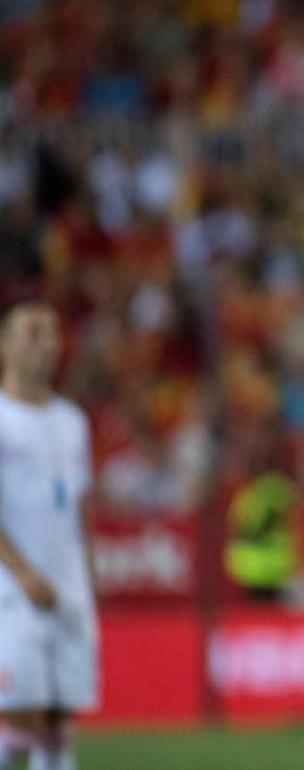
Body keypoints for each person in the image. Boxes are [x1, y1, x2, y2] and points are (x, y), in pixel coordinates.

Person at [0, 299, 97, 770]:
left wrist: (87, 582)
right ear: (5, 345)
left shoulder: (72, 422)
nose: (44, 344)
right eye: (31, 333)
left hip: (67, 587)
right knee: (22, 719)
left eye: (51, 333)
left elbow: (79, 507)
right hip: (12, 592)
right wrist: (21, 573)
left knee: (60, 722)